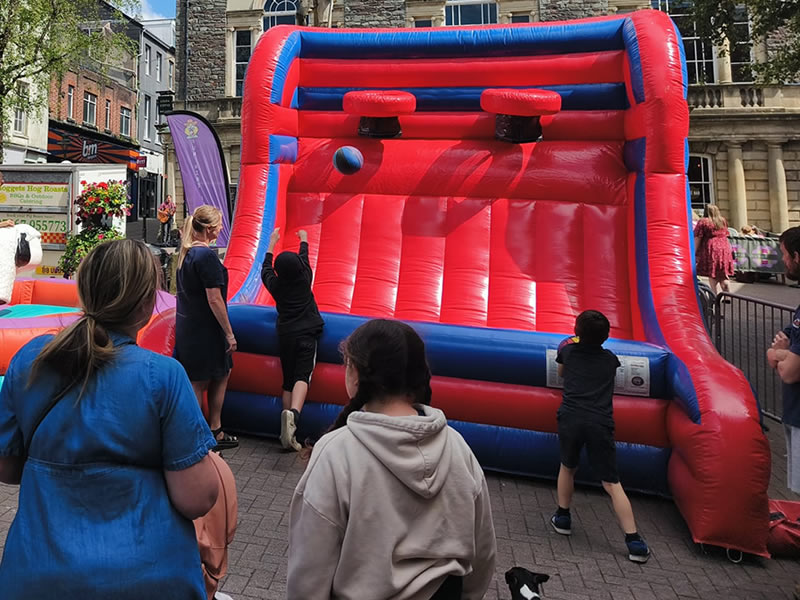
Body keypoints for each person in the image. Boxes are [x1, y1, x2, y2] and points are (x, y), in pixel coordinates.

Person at [0, 239, 220, 599]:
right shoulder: (163, 376)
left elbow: (6, 468)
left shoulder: (31, 360)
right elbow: (196, 498)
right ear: (149, 301)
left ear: (84, 289)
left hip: (39, 574)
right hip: (146, 578)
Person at [287, 319, 497, 600]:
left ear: (356, 374)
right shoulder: (457, 447)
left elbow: (309, 573)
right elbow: (482, 552)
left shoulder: (337, 453)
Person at [550, 310, 650, 563]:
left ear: (577, 332)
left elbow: (561, 373)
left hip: (571, 417)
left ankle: (563, 516)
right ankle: (633, 540)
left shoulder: (569, 352)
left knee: (568, 466)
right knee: (612, 484)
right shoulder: (610, 360)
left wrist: (570, 343)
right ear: (606, 337)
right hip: (599, 421)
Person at [176, 205, 238, 450]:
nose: (222, 229)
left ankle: (209, 429)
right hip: (206, 329)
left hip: (189, 325)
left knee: (209, 376)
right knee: (209, 378)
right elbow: (214, 298)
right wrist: (229, 332)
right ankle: (205, 430)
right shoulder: (206, 257)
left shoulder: (186, 254)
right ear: (211, 229)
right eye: (220, 225)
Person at [261, 227, 324, 451]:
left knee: (288, 379)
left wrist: (271, 243)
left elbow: (265, 268)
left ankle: (287, 432)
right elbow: (305, 258)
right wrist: (304, 239)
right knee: (302, 376)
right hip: (307, 332)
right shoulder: (305, 277)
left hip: (286, 334)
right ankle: (294, 416)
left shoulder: (276, 286)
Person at [767, 226, 800, 495]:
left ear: (797, 256)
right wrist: (782, 353)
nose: (783, 260)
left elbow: (790, 372)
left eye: (785, 254)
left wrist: (781, 354)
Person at [694, 204, 735, 296]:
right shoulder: (722, 220)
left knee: (712, 272)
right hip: (724, 248)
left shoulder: (703, 221)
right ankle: (727, 296)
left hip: (711, 248)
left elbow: (698, 237)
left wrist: (694, 252)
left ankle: (714, 295)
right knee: (723, 273)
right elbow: (726, 234)